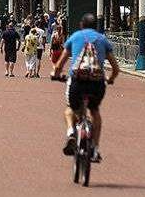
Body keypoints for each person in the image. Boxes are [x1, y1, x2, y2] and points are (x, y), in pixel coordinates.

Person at [51, 13, 120, 163]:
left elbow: (60, 63)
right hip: (97, 83)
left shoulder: (75, 37)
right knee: (94, 111)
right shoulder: (102, 39)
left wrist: (55, 74)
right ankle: (94, 148)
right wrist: (111, 79)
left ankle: (71, 132)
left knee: (70, 109)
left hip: (77, 82)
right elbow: (115, 68)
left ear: (82, 25)